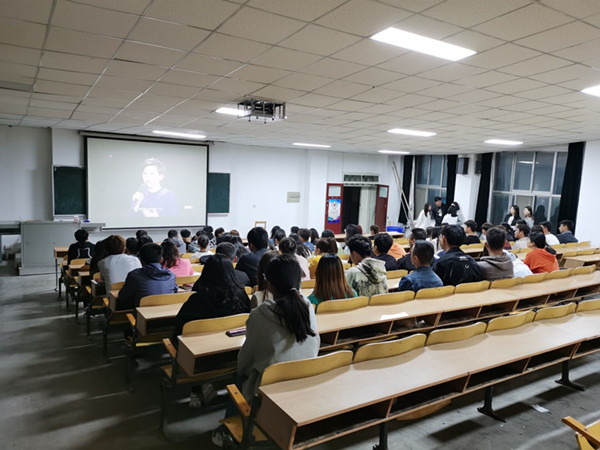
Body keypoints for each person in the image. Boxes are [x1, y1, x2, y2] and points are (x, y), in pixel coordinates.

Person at [236, 254, 319, 403]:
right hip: (306, 382)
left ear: (268, 283)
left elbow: (244, 363)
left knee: (237, 380)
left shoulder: (260, 314)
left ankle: (239, 416)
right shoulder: (307, 307)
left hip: (269, 396)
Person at [171, 254, 250, 346]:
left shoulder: (196, 300)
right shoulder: (242, 296)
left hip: (198, 349)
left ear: (206, 273)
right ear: (231, 273)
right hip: (234, 347)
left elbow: (179, 329)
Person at [117, 243, 178, 310]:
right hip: (167, 313)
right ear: (161, 260)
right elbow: (175, 292)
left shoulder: (134, 275)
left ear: (141, 261)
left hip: (141, 315)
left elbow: (123, 296)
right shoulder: (171, 276)